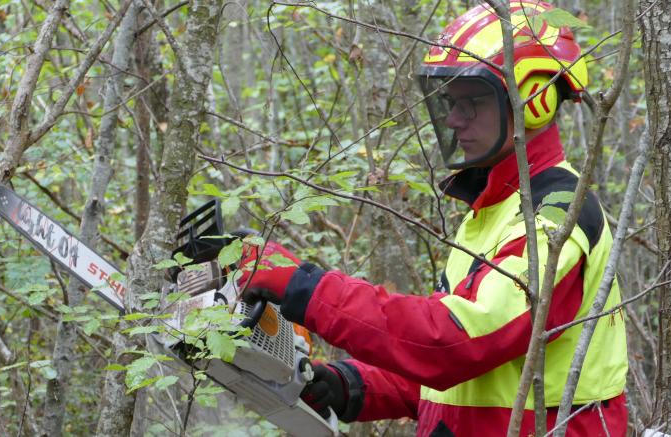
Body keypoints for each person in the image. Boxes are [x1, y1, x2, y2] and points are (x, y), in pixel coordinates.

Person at [238, 1, 628, 435]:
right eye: (451, 103)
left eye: (472, 102)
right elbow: (465, 379)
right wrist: (352, 385)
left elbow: (453, 343)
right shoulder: (494, 208)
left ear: (534, 99)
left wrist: (303, 287)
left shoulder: (556, 215)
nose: (455, 120)